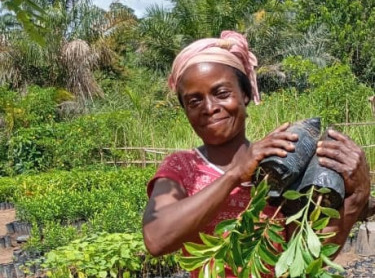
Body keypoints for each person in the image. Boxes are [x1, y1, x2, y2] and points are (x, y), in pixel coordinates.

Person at [142, 30, 371, 277]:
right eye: (194, 101)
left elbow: (304, 258)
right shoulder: (181, 167)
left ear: (246, 95)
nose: (209, 108)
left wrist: (357, 196)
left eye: (221, 93)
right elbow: (157, 238)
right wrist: (235, 174)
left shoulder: (281, 165)